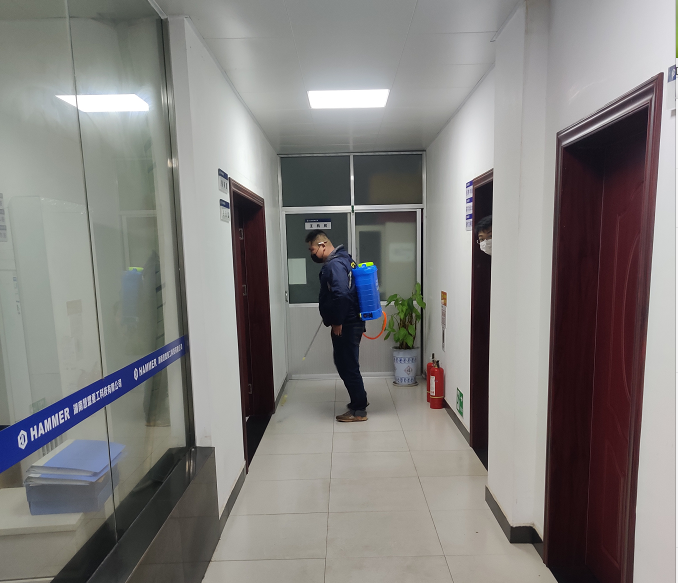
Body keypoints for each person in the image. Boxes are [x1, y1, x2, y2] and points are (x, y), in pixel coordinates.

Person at [306, 230, 369, 422]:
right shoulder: (345, 259)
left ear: (322, 245)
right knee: (346, 363)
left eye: (312, 249)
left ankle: (359, 410)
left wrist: (337, 321)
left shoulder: (334, 264)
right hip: (352, 320)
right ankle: (358, 401)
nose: (312, 254)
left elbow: (341, 294)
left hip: (346, 323)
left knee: (347, 365)